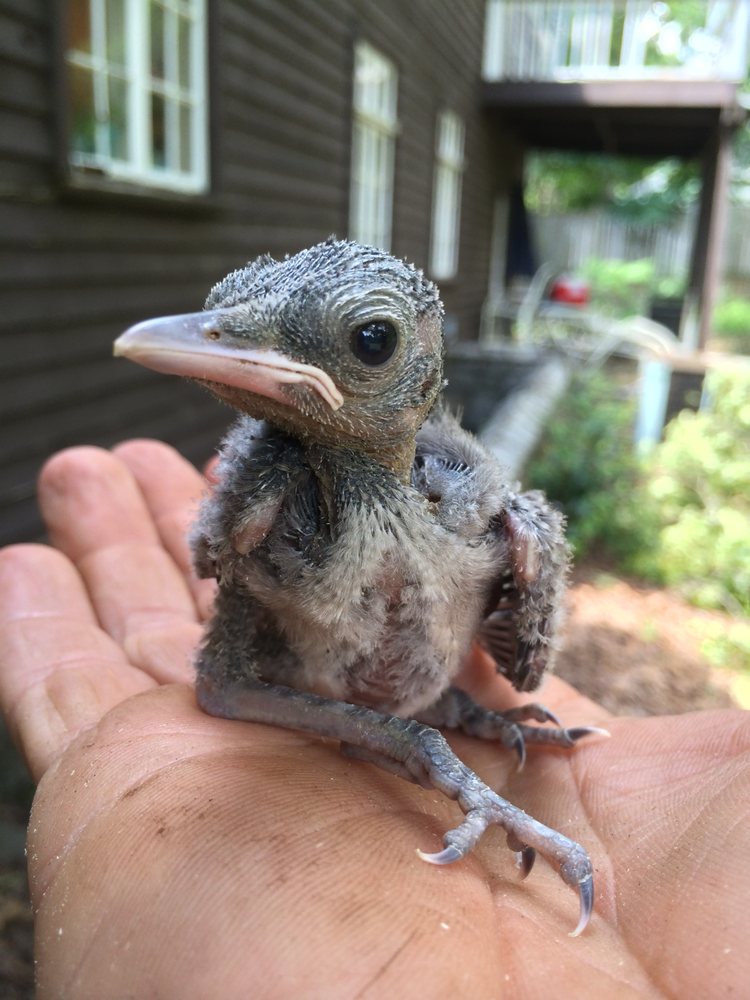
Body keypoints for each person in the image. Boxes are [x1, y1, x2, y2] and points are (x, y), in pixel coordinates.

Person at [0, 440, 747, 998]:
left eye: (369, 342)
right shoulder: (270, 495)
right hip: (297, 668)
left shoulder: (477, 508)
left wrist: (436, 707)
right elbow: (222, 687)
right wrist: (413, 738)